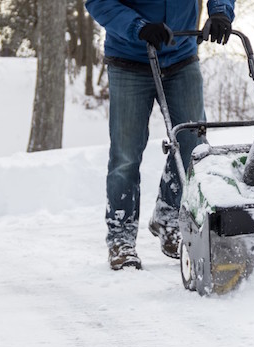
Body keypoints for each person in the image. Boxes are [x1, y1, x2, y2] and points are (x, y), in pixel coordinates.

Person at [85, 0, 236, 270]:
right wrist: (138, 27)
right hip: (129, 58)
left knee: (193, 145)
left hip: (181, 56)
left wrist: (220, 12)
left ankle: (168, 216)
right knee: (125, 155)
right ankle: (121, 238)